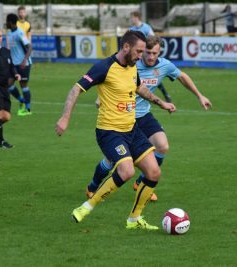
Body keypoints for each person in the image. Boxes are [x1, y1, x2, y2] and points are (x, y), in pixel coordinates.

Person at [55, 31, 176, 230]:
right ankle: (86, 207)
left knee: (154, 172)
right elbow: (76, 88)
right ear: (126, 47)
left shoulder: (132, 66)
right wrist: (65, 117)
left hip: (132, 130)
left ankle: (134, 220)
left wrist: (160, 102)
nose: (141, 56)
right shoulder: (104, 67)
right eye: (138, 51)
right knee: (127, 171)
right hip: (109, 132)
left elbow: (139, 87)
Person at [85, 36, 212, 202]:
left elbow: (182, 77)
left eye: (155, 53)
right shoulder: (132, 63)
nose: (151, 57)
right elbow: (110, 77)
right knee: (111, 160)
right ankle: (93, 186)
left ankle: (143, 183)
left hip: (144, 115)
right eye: (148, 52)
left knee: (162, 145)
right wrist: (101, 98)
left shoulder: (164, 65)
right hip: (121, 118)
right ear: (141, 51)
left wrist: (200, 96)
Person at [129, 11, 172, 103]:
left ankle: (164, 94)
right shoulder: (131, 29)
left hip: (146, 54)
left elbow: (153, 38)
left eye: (132, 17)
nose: (131, 19)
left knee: (153, 77)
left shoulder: (146, 27)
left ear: (136, 17)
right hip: (137, 55)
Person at [6, 13, 33, 116]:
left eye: (7, 21)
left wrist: (24, 60)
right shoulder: (9, 33)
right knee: (9, 84)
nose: (6, 23)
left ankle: (28, 109)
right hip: (13, 64)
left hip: (23, 64)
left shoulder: (19, 33)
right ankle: (21, 100)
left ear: (11, 22)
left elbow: (30, 47)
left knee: (23, 86)